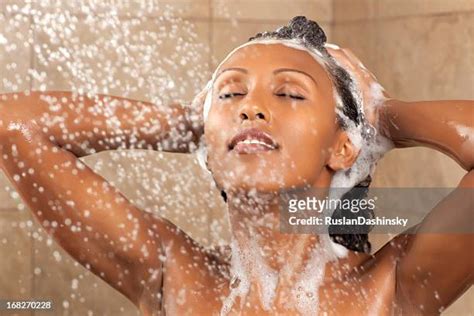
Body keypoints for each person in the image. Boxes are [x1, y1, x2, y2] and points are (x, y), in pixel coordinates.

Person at [0, 16, 472, 315]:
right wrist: (192, 124)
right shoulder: (173, 275)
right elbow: (13, 125)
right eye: (230, 94)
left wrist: (383, 117)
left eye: (288, 93)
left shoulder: (393, 289)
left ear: (342, 148)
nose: (250, 108)